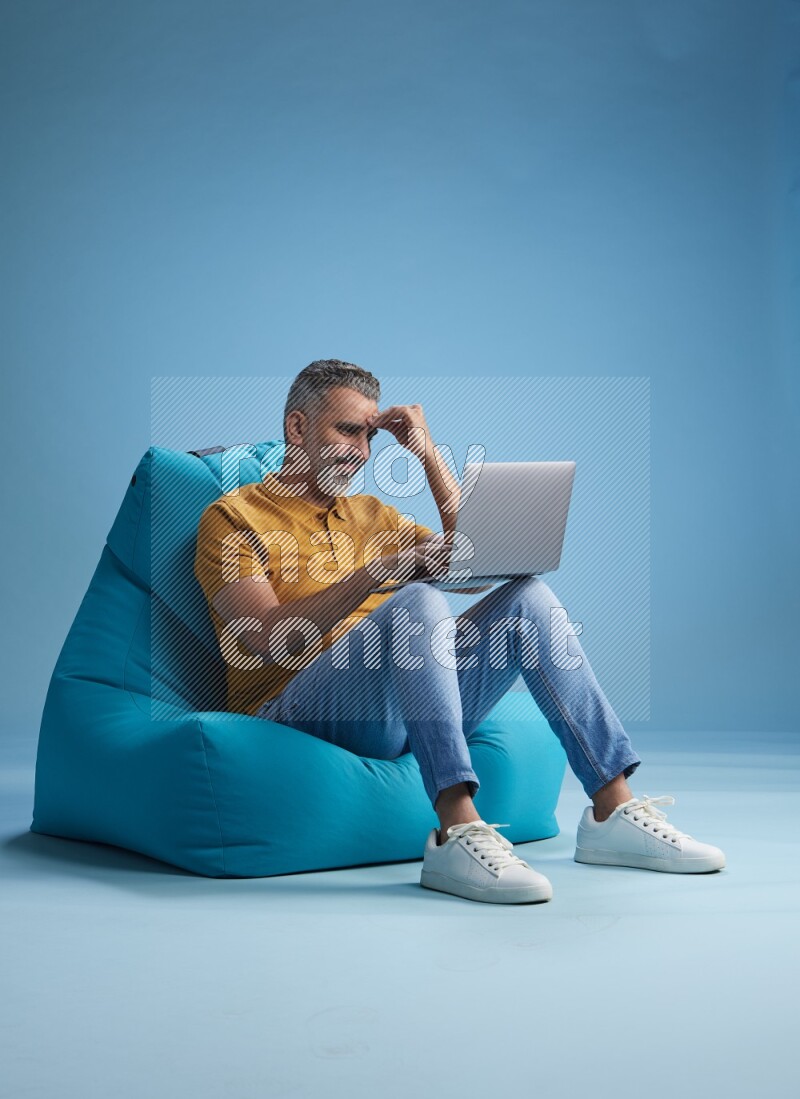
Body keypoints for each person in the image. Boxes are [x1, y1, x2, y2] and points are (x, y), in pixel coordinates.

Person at [194, 359, 726, 904]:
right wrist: (377, 574)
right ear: (298, 428)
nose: (360, 451)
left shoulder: (372, 514)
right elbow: (262, 637)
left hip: (401, 704)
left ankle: (612, 808)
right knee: (419, 600)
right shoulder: (234, 517)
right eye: (347, 431)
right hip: (297, 710)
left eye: (369, 436)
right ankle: (456, 828)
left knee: (527, 597)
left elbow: (472, 563)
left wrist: (427, 455)